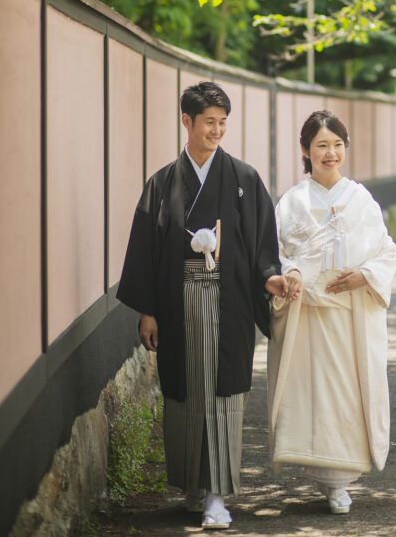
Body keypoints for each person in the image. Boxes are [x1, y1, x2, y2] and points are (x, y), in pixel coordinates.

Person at [117, 81, 287, 531]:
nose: (217, 130)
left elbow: (262, 244)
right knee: (185, 392)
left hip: (230, 303)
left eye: (223, 122)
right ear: (186, 121)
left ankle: (217, 494)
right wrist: (148, 310)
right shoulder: (162, 184)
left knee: (223, 394)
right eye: (209, 122)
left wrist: (269, 276)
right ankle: (193, 484)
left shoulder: (244, 180)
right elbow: (145, 252)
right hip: (178, 305)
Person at [267, 109, 396, 515]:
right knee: (315, 396)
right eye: (322, 145)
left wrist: (366, 275)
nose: (331, 153)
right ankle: (327, 478)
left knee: (346, 395)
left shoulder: (361, 199)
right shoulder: (292, 201)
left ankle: (341, 483)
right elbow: (276, 252)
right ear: (305, 150)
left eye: (338, 145)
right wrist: (290, 272)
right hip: (308, 313)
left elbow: (385, 250)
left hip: (349, 315)